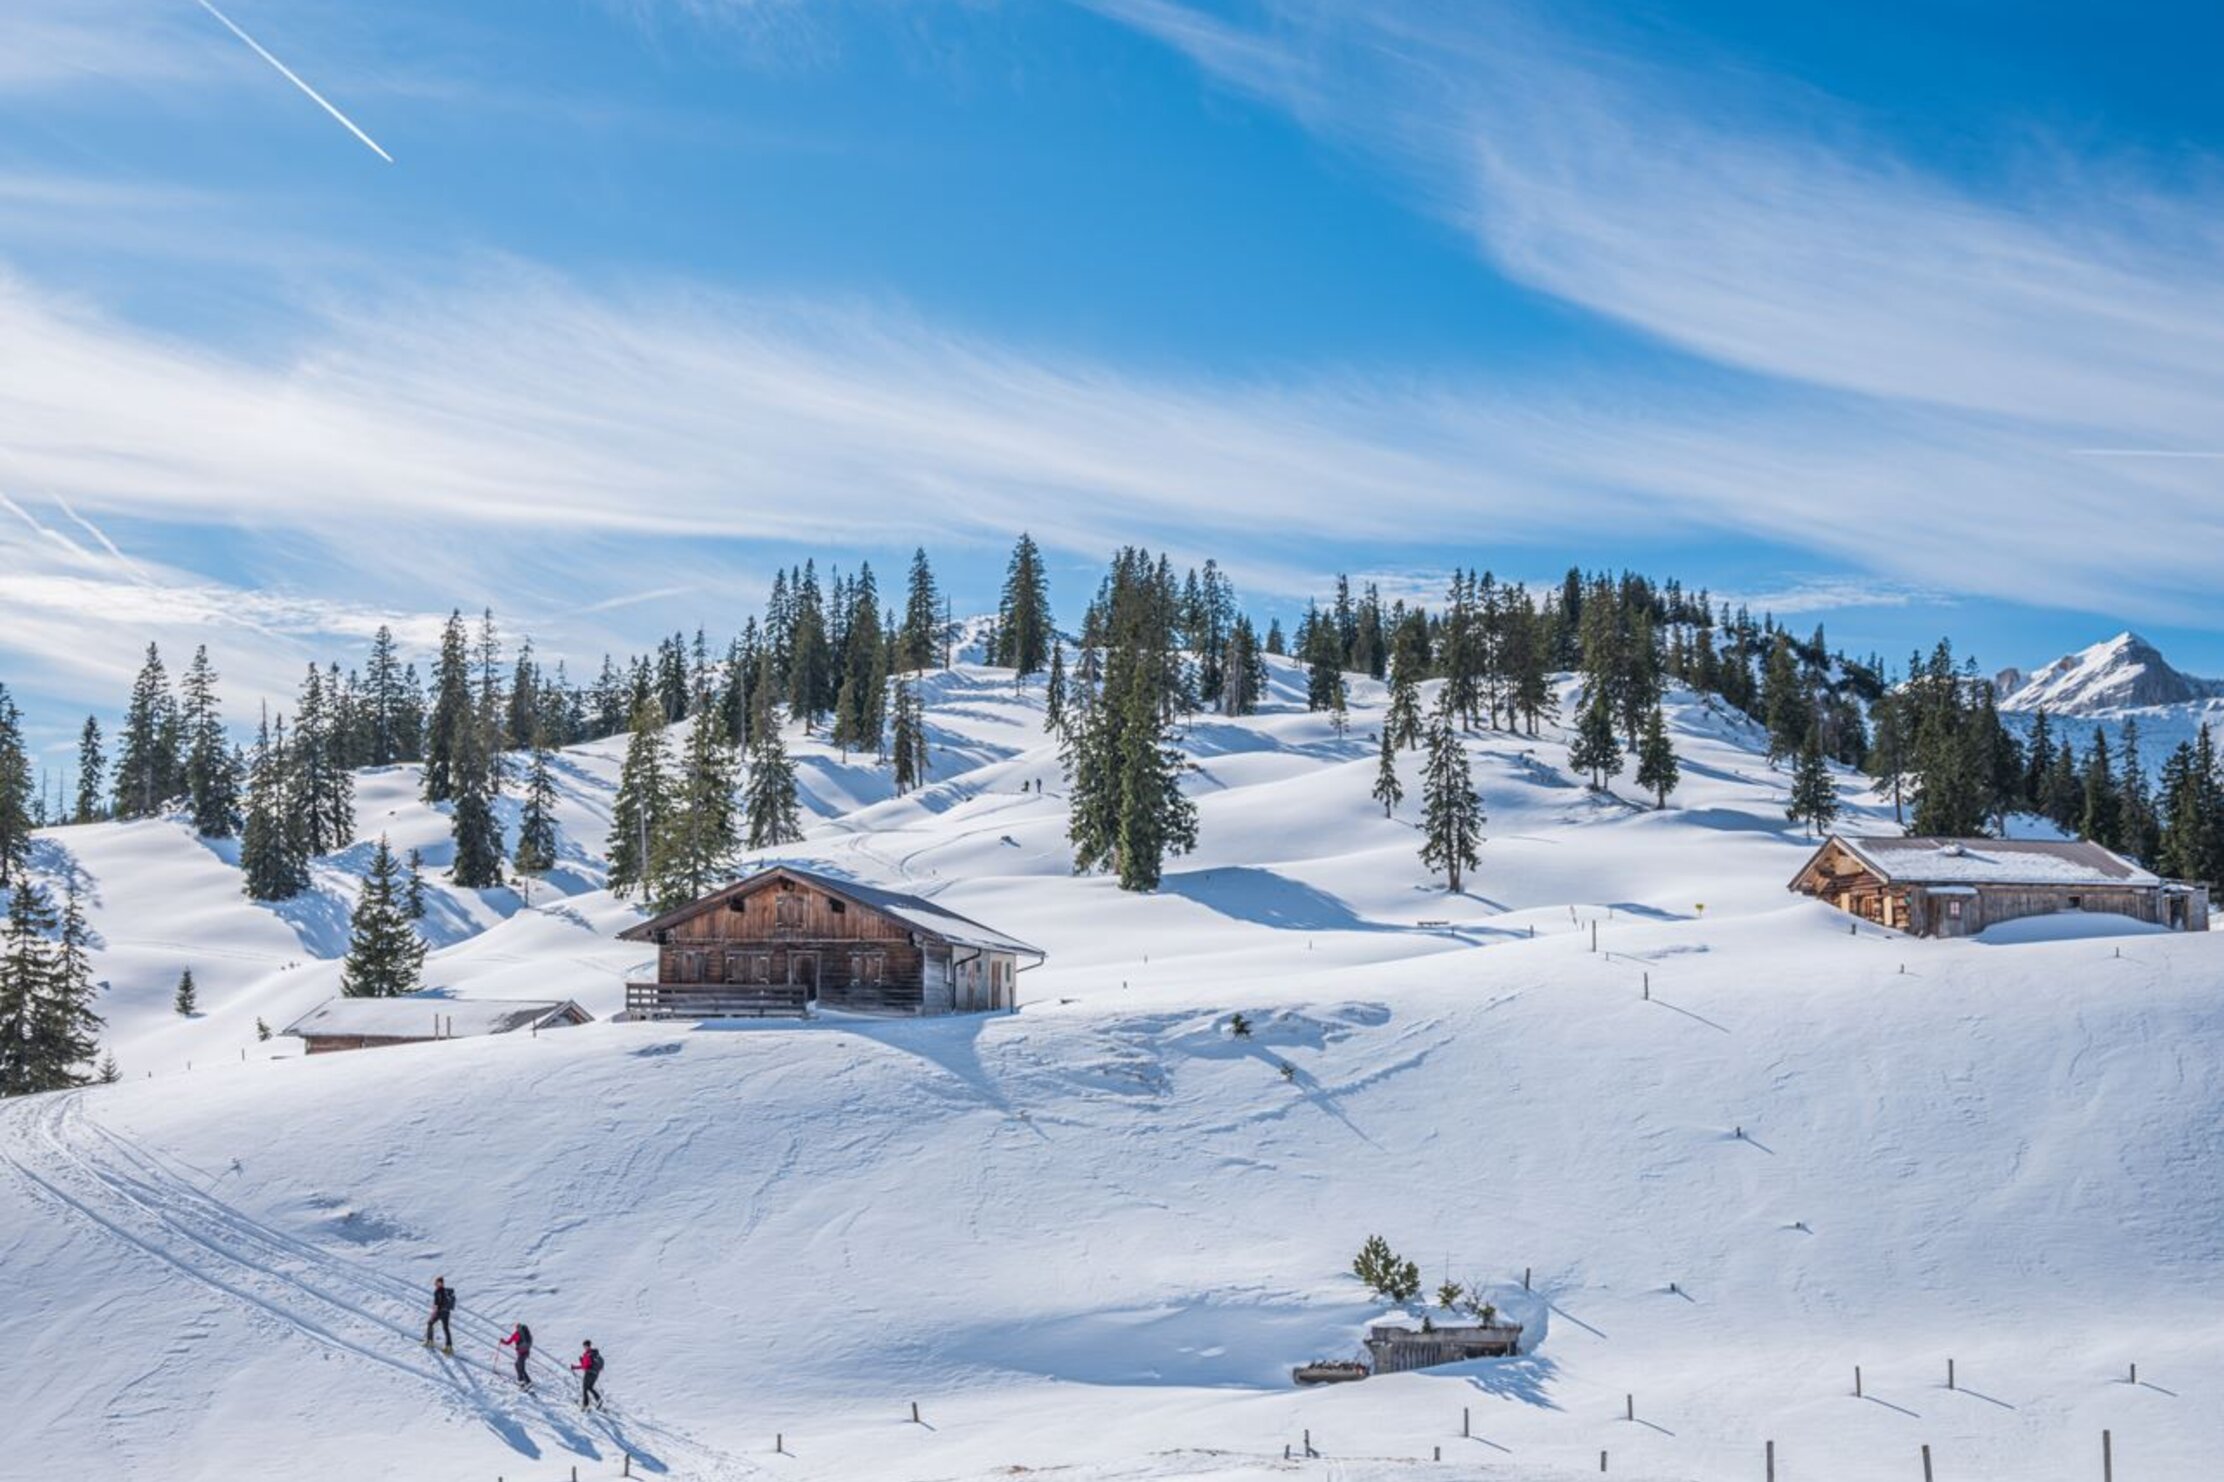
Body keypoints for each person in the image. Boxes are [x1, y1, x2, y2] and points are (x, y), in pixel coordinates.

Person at [423, 1277, 456, 1354]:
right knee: (446, 1328)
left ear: (440, 1283)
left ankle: (430, 1341)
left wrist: (433, 1314)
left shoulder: (438, 1291)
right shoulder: (446, 1291)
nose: (436, 1284)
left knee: (430, 1323)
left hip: (440, 1311)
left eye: (437, 1282)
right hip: (447, 1312)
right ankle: (449, 1347)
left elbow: (437, 1304)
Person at [572, 1339, 605, 1411]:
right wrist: (583, 1361)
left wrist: (575, 1367)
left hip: (589, 1373)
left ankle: (585, 1405)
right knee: (590, 1387)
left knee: (584, 1388)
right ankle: (598, 1399)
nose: (584, 1347)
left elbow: (585, 1366)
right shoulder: (595, 1353)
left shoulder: (587, 1354)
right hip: (595, 1374)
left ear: (586, 1346)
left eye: (584, 1346)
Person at [500, 1321, 533, 1388]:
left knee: (519, 1367)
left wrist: (502, 1341)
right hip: (526, 1353)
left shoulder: (516, 1334)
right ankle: (526, 1381)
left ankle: (523, 1382)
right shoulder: (527, 1334)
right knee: (519, 1366)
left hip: (521, 1353)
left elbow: (508, 1342)